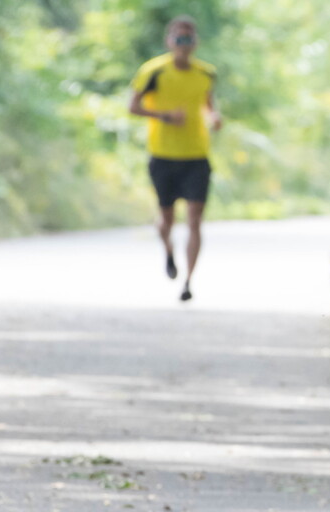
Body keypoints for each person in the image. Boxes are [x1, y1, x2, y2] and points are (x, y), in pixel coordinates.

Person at [129, 15, 222, 302]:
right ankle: (169, 252)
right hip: (163, 155)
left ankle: (188, 281)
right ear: (169, 41)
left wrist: (214, 116)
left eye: (188, 39)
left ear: (195, 42)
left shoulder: (206, 73)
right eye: (178, 39)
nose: (183, 45)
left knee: (195, 221)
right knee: (166, 218)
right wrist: (164, 116)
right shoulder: (153, 71)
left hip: (196, 155)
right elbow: (133, 106)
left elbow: (209, 104)